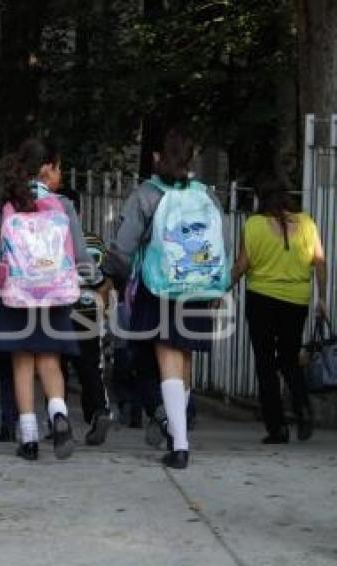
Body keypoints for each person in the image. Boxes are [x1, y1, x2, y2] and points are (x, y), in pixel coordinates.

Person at [99, 125, 223, 469]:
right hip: (198, 286)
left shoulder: (146, 195)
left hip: (160, 286)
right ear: (192, 157)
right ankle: (179, 433)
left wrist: (110, 278)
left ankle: (179, 443)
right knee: (184, 359)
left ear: (157, 157)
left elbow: (123, 248)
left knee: (166, 357)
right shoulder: (207, 197)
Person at [0, 138, 93, 461]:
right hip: (54, 295)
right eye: (57, 166)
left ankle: (27, 437)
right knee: (50, 360)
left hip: (15, 295)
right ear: (46, 168)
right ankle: (58, 414)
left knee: (22, 363)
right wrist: (93, 277)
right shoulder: (63, 205)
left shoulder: (4, 204)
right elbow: (81, 254)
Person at [230, 179, 327, 443]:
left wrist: (222, 289)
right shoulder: (307, 223)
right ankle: (302, 406)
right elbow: (319, 262)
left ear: (260, 199)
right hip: (297, 301)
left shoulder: (253, 225)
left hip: (261, 299)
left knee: (265, 363)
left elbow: (241, 266)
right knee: (289, 358)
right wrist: (322, 298)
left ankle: (278, 427)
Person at [56, 190, 113, 445]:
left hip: (58, 311)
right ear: (80, 213)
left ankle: (58, 418)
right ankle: (98, 411)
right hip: (89, 313)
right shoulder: (94, 241)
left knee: (57, 367)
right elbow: (105, 279)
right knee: (90, 368)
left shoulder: (50, 238)